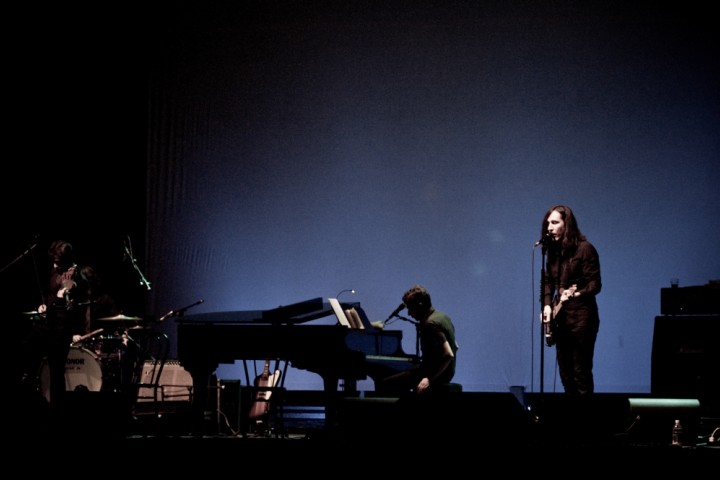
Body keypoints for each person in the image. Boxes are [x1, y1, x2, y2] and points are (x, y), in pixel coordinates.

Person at [19, 240, 92, 411]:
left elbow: (75, 297)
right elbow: (50, 295)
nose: (54, 264)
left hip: (62, 328)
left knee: (56, 371)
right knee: (26, 349)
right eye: (54, 261)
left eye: (58, 262)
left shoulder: (75, 275)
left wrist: (65, 293)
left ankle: (57, 411)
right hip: (48, 324)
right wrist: (43, 305)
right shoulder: (54, 271)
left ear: (67, 260)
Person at [540, 205, 602, 401]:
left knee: (580, 371)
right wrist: (548, 305)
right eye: (548, 223)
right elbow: (547, 281)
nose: (549, 227)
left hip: (582, 319)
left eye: (555, 222)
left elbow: (595, 284)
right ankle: (572, 419)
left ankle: (586, 420)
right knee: (565, 374)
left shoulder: (585, 249)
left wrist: (576, 294)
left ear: (567, 225)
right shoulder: (552, 252)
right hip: (561, 320)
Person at [377, 285, 459, 396]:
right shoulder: (443, 317)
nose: (409, 313)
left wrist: (429, 378)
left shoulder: (430, 324)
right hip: (446, 373)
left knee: (384, 384)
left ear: (420, 305)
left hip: (436, 375)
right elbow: (456, 346)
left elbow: (448, 355)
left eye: (410, 308)